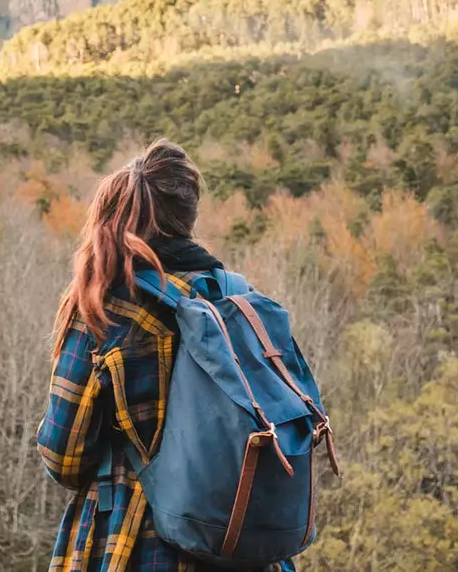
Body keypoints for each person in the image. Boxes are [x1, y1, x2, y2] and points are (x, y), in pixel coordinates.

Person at [37, 139, 295, 572]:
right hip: (243, 547)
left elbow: (64, 456)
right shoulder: (242, 303)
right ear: (187, 217)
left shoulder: (107, 308)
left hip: (139, 546)